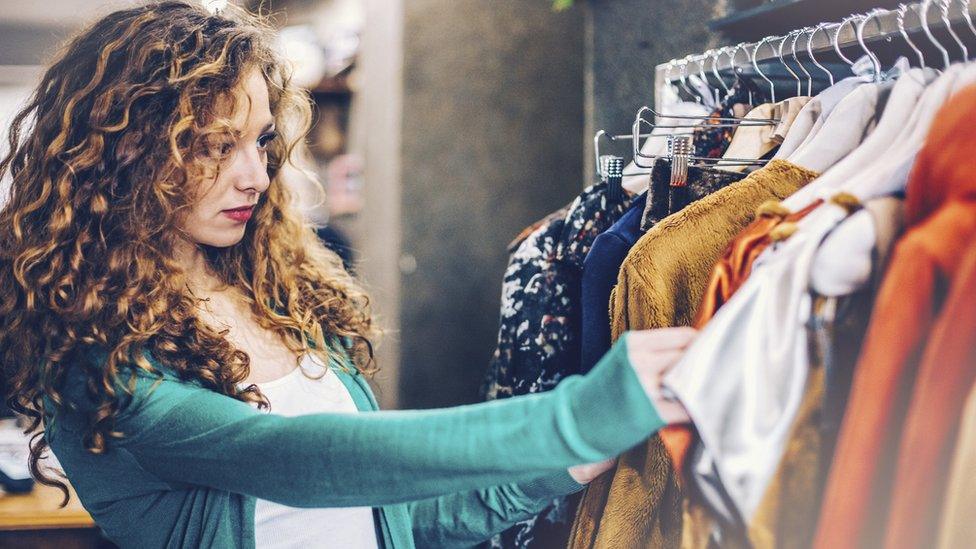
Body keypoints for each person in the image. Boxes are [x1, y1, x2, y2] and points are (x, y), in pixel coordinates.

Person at [0, 2, 695, 547]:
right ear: (128, 155)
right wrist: (574, 418)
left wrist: (560, 469)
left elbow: (398, 520)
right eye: (217, 146)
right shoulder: (97, 359)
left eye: (261, 141)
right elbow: (309, 457)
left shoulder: (275, 297)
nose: (255, 174)